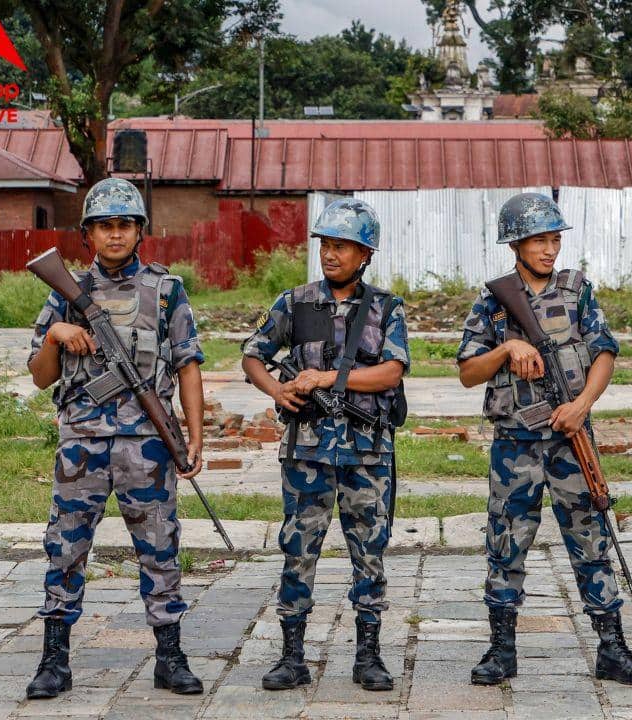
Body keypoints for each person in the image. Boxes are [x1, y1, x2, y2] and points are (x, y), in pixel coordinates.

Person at [457, 192, 632, 687]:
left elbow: (605, 352)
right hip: (515, 444)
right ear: (515, 244)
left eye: (554, 239)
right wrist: (507, 347)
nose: (549, 249)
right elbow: (467, 372)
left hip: (570, 440)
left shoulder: (578, 290)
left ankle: (612, 647)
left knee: (590, 540)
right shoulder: (493, 300)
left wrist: (581, 404)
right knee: (506, 543)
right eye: (539, 240)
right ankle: (501, 650)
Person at [26, 178, 205, 699]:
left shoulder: (166, 290)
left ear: (140, 231)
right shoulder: (64, 294)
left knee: (159, 548)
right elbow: (40, 377)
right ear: (88, 234)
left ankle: (170, 658)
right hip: (81, 443)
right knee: (65, 548)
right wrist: (57, 336)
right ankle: (53, 661)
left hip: (147, 445)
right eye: (104, 225)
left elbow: (189, 365)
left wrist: (193, 438)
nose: (115, 234)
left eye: (125, 224)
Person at [241, 198, 408, 692]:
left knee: (370, 554)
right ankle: (292, 656)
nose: (331, 254)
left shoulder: (386, 307)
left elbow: (391, 373)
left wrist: (329, 377)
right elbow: (253, 355)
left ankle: (369, 657)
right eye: (326, 245)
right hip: (307, 453)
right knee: (298, 551)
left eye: (342, 246)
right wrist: (279, 389)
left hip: (367, 455)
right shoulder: (295, 302)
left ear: (365, 254)